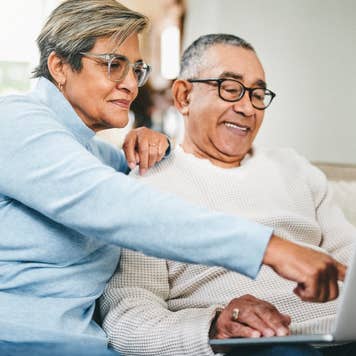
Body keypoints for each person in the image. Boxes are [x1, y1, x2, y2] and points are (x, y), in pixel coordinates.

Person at [0, 0, 346, 349]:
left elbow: (130, 173)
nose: (131, 85)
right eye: (114, 65)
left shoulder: (98, 156)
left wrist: (152, 144)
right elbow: (120, 207)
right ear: (59, 66)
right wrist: (268, 248)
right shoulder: (12, 122)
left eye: (136, 69)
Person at [100, 34, 356, 355]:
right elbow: (127, 319)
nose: (248, 107)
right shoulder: (147, 184)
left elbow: (349, 256)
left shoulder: (295, 168)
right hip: (266, 347)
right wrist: (213, 325)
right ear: (183, 97)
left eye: (258, 94)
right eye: (230, 89)